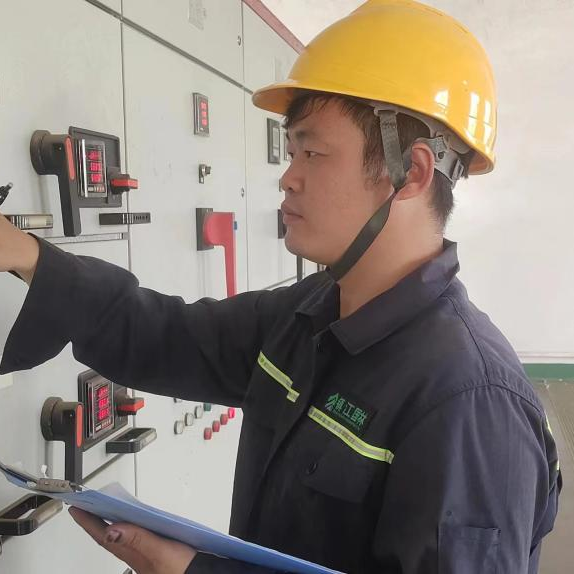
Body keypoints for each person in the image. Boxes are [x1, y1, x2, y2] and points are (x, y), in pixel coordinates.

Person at [0, 1, 561, 573]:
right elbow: (164, 335)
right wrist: (27, 256)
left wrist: (190, 571)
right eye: (291, 152)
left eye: (313, 153)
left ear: (410, 173)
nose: (287, 178)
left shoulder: (470, 403)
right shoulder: (309, 314)